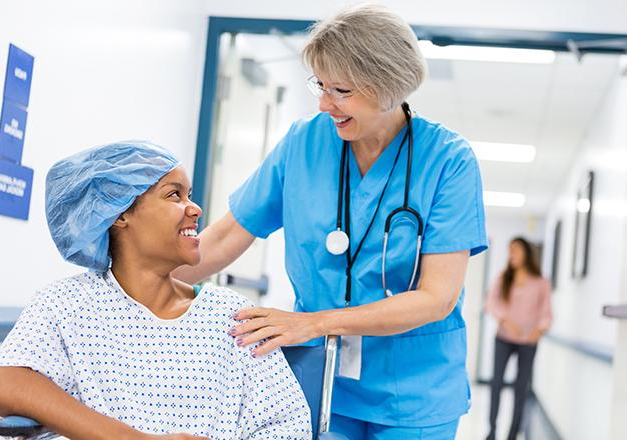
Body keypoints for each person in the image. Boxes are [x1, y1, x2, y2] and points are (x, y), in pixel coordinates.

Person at [174, 4, 488, 439]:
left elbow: (436, 297)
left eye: (340, 91)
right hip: (319, 375)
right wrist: (136, 278)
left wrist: (315, 323)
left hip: (414, 391)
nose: (324, 104)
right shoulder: (305, 142)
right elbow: (228, 234)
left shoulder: (448, 161)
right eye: (320, 85)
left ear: (387, 87)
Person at [0, 141, 311, 440]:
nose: (195, 208)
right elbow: (5, 384)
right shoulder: (67, 304)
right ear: (121, 213)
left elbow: (288, 424)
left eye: (189, 195)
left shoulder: (232, 315)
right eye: (174, 195)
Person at [485, 237, 552, 440]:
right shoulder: (503, 277)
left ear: (526, 253)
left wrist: (538, 331)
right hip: (504, 338)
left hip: (529, 342)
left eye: (515, 250)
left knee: (521, 388)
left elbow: (546, 312)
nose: (511, 254)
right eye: (509, 250)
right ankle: (492, 431)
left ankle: (513, 434)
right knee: (496, 384)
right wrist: (505, 321)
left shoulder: (541, 283)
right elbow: (490, 303)